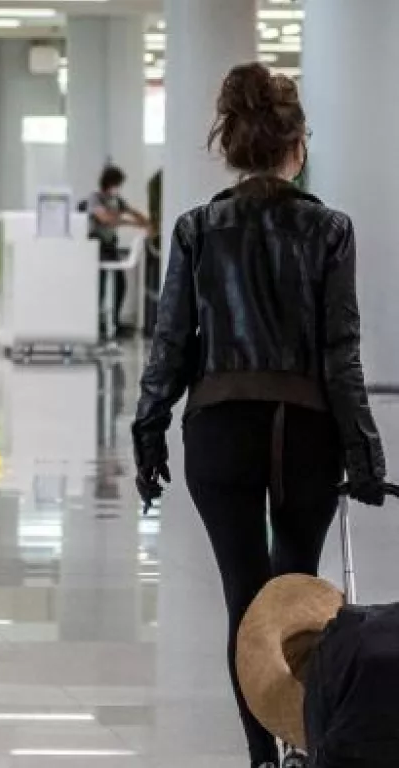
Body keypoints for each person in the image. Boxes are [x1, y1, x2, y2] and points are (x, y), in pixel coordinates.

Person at [132, 63, 387, 768]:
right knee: (297, 599)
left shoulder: (195, 230)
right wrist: (365, 450)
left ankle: (261, 759)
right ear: (298, 143)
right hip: (307, 430)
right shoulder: (329, 230)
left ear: (228, 143)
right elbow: (341, 354)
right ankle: (305, 738)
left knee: (245, 603)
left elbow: (171, 344)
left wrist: (147, 427)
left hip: (220, 429)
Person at [87, 165, 151, 340]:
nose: (118, 188)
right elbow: (104, 219)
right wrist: (127, 222)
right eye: (116, 184)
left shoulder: (117, 200)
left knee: (120, 285)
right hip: (97, 246)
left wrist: (145, 222)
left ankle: (115, 321)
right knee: (98, 287)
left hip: (110, 246)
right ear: (109, 182)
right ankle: (96, 323)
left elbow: (132, 212)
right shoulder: (96, 198)